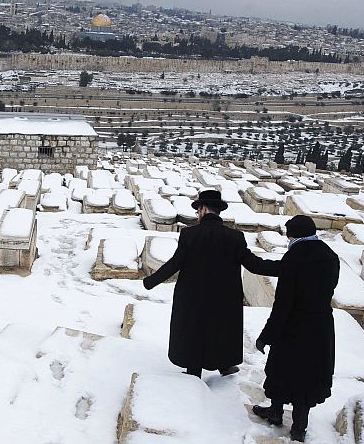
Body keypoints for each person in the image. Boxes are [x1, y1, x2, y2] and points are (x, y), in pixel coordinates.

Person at [142, 190, 279, 378]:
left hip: (192, 295)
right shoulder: (235, 237)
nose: (198, 215)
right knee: (222, 329)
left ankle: (193, 369)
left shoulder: (189, 234)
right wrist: (285, 268)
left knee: (193, 329)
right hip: (225, 296)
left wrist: (150, 281)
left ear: (204, 209)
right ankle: (224, 365)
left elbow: (175, 263)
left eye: (198, 211)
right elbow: (254, 265)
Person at [249, 215, 339, 443]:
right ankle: (299, 427)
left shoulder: (294, 257)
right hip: (319, 326)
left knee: (282, 370)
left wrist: (265, 336)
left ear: (292, 234)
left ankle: (276, 413)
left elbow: (283, 304)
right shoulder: (330, 256)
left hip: (293, 325)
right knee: (308, 376)